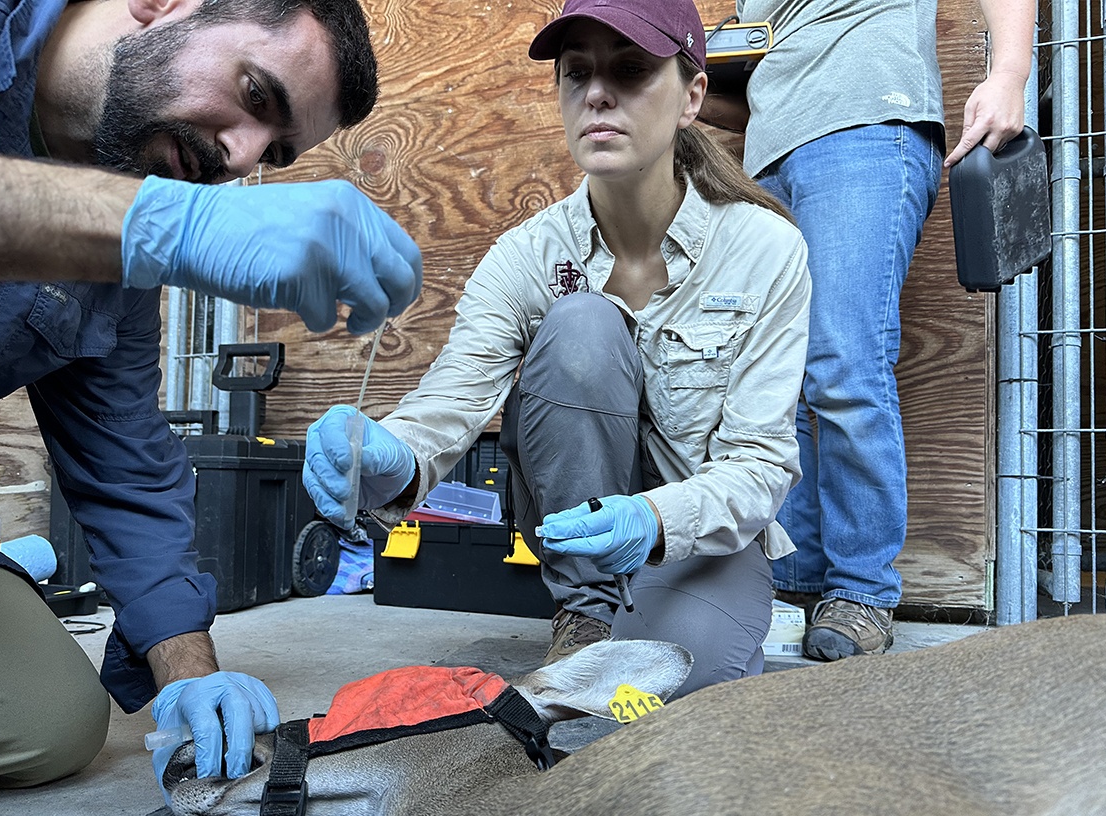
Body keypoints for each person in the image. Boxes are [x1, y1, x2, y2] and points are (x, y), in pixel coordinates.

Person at [0, 0, 422, 793]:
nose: (242, 158)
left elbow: (123, 460)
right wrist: (165, 225)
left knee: (41, 717)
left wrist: (189, 670)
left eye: (276, 152)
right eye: (257, 96)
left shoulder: (121, 252)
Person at [303, 0, 811, 695]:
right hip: (575, 544)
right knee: (581, 324)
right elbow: (452, 398)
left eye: (631, 70)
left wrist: (655, 517)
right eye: (578, 74)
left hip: (699, 539)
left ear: (693, 96)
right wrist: (391, 457)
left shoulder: (764, 249)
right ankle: (584, 613)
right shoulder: (527, 255)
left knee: (673, 696)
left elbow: (760, 464)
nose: (599, 93)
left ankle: (643, 621)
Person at [699, 0, 1034, 660]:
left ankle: (860, 590)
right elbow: (771, 72)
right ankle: (793, 581)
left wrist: (1012, 73)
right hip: (771, 158)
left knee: (843, 359)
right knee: (778, 381)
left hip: (865, 123)